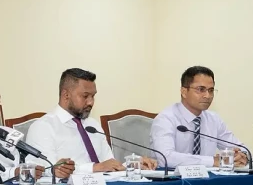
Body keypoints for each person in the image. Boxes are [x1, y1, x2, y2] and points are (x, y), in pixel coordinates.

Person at [27, 68, 156, 178]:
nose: (91, 102)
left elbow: (108, 164)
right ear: (66, 95)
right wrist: (94, 168)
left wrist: (132, 166)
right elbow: (47, 170)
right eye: (85, 96)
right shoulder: (43, 127)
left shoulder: (92, 125)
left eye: (93, 96)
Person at [149, 65, 248, 168]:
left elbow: (242, 148)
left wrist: (242, 156)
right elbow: (166, 158)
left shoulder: (214, 119)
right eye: (201, 89)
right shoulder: (166, 119)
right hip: (173, 177)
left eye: (211, 90)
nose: (207, 96)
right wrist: (213, 161)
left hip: (208, 177)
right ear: (184, 92)